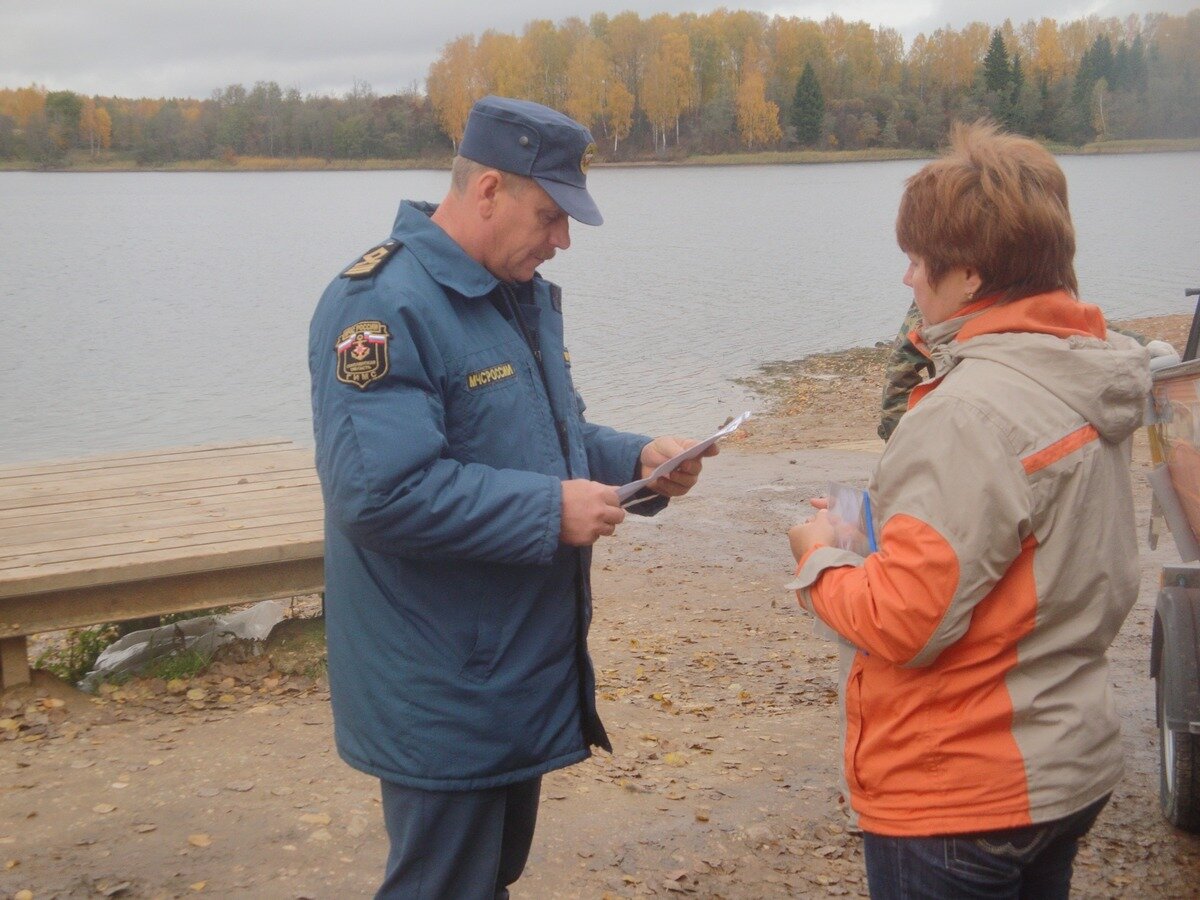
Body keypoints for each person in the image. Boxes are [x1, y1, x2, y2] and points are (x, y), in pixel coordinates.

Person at [308, 95, 715, 899]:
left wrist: (639, 461)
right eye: (550, 215)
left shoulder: (511, 292)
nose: (562, 240)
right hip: (440, 681)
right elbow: (379, 493)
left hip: (506, 672)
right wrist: (547, 511)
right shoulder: (380, 305)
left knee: (487, 876)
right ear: (489, 190)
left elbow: (550, 438)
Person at [787, 121, 1150, 898]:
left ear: (971, 276)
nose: (908, 279)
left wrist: (820, 554)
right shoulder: (1080, 373)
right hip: (1064, 763)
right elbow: (1028, 554)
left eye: (919, 261)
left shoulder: (966, 413)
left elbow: (903, 624)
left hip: (960, 789)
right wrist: (879, 534)